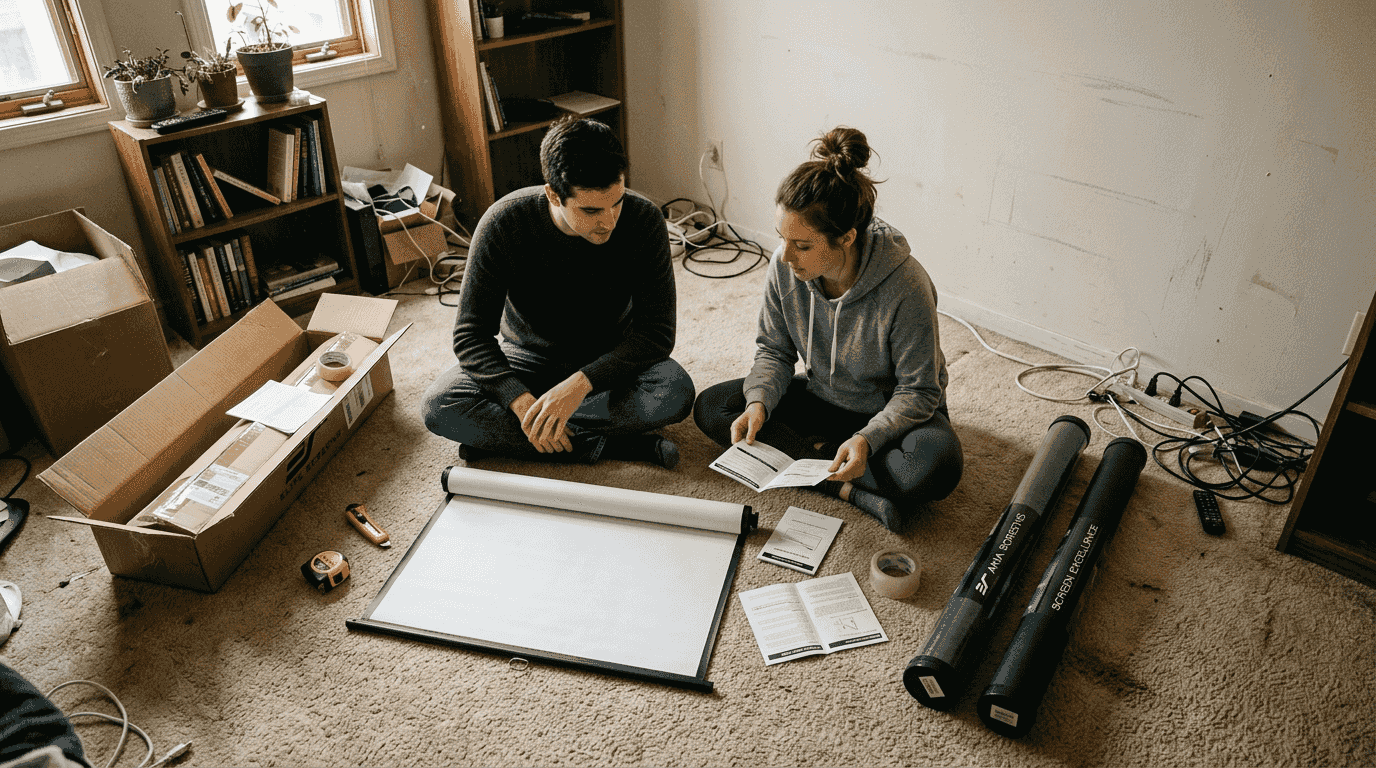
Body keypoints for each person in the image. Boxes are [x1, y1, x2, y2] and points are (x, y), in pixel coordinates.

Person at [693, 127, 963, 531]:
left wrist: (868, 439)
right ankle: (844, 487)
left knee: (936, 466)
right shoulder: (784, 267)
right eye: (782, 238)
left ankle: (814, 462)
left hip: (890, 411)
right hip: (823, 398)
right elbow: (773, 351)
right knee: (715, 407)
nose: (785, 256)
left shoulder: (907, 286)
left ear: (847, 238)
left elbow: (919, 390)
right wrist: (759, 403)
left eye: (802, 245)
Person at [422, 117, 694, 466]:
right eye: (591, 209)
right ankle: (617, 448)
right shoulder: (504, 222)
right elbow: (471, 335)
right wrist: (519, 403)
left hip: (611, 357)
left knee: (675, 393)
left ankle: (511, 440)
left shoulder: (644, 220)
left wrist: (578, 386)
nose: (609, 221)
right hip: (528, 356)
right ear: (553, 194)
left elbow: (656, 334)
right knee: (440, 405)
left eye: (617, 201)